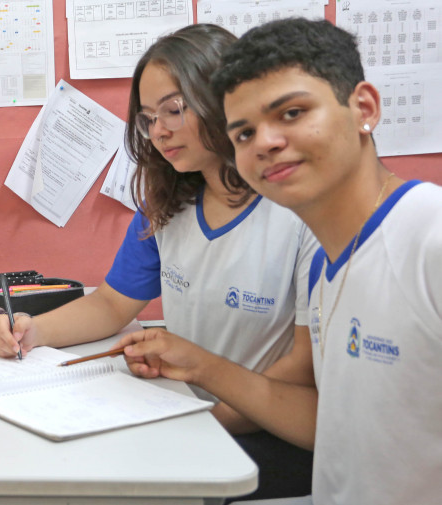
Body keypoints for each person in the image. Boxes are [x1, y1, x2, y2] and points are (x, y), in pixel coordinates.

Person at [117, 18, 442, 505]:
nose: (265, 143)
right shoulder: (332, 263)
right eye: (244, 133)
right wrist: (199, 369)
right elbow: (327, 426)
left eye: (292, 113)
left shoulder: (429, 238)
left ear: (364, 108)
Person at [0, 24, 316, 500]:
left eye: (174, 110)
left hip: (265, 432)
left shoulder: (298, 214)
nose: (159, 130)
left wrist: (202, 422)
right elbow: (111, 304)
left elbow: (301, 369)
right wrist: (31, 331)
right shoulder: (167, 205)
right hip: (187, 413)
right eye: (147, 118)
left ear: (225, 99)